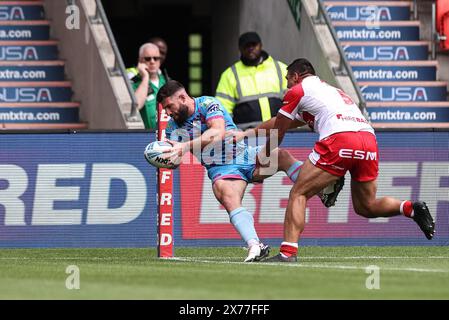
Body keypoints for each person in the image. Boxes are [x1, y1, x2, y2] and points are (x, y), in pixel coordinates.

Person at [242, 58, 435, 262]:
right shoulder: (329, 92)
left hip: (340, 139)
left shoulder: (297, 91)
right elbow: (281, 122)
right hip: (368, 140)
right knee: (365, 206)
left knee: (299, 192)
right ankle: (411, 209)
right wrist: (250, 132)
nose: (286, 85)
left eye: (288, 79)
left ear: (296, 76)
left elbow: (278, 131)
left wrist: (263, 158)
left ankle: (288, 253)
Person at [156, 80, 345, 262]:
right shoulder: (173, 127)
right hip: (222, 170)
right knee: (227, 196)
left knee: (281, 156)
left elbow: (217, 132)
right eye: (164, 109)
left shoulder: (207, 103)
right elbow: (175, 160)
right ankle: (255, 246)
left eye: (169, 106)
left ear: (182, 97)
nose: (167, 112)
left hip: (246, 156)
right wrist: (167, 158)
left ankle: (323, 190)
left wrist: (185, 146)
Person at [215, 32, 288, 130]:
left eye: (254, 45)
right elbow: (223, 109)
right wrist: (230, 131)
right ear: (240, 49)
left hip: (278, 131)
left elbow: (293, 100)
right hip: (247, 135)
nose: (250, 48)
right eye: (246, 46)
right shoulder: (230, 74)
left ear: (261, 45)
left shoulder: (280, 68)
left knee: (273, 146)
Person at [127, 43, 167, 129]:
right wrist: (145, 77)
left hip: (166, 136)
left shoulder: (167, 81)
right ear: (140, 60)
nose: (152, 61)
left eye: (156, 58)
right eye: (148, 59)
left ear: (159, 61)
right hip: (146, 136)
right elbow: (136, 106)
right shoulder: (134, 83)